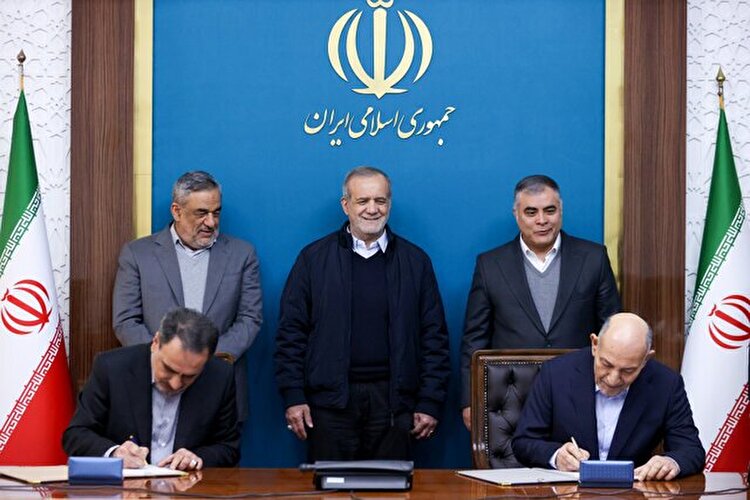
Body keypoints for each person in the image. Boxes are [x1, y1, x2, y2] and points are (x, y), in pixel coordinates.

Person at [275, 166, 451, 461]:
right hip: (329, 407)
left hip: (395, 406)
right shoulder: (313, 260)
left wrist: (430, 401)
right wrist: (293, 396)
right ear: (346, 205)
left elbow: (434, 338)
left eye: (380, 201)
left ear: (389, 204)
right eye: (363, 201)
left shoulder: (416, 262)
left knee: (391, 487)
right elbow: (291, 334)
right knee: (331, 487)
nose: (372, 209)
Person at [460, 174, 621, 428]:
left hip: (579, 390)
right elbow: (474, 339)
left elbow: (611, 329)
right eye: (531, 212)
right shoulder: (490, 265)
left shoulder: (593, 258)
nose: (542, 220)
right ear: (516, 214)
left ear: (561, 210)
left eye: (550, 210)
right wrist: (471, 400)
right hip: (510, 397)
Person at [112, 170, 262, 424]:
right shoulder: (138, 254)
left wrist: (204, 361)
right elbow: (126, 321)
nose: (211, 222)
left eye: (216, 212)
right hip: (156, 387)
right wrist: (168, 362)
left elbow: (250, 319)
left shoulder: (242, 254)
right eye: (201, 213)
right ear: (177, 211)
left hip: (218, 388)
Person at [512, 312, 705, 481]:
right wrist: (556, 456)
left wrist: (670, 462)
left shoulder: (666, 384)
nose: (613, 379)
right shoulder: (556, 373)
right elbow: (524, 442)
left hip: (633, 494)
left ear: (646, 359)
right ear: (595, 344)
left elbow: (691, 450)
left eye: (628, 371)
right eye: (606, 364)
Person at [63, 307, 240, 469]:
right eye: (169, 369)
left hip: (187, 487)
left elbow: (228, 447)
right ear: (156, 342)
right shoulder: (112, 368)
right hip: (125, 487)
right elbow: (76, 435)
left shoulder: (220, 376)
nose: (175, 384)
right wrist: (115, 453)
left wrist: (196, 458)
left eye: (189, 376)